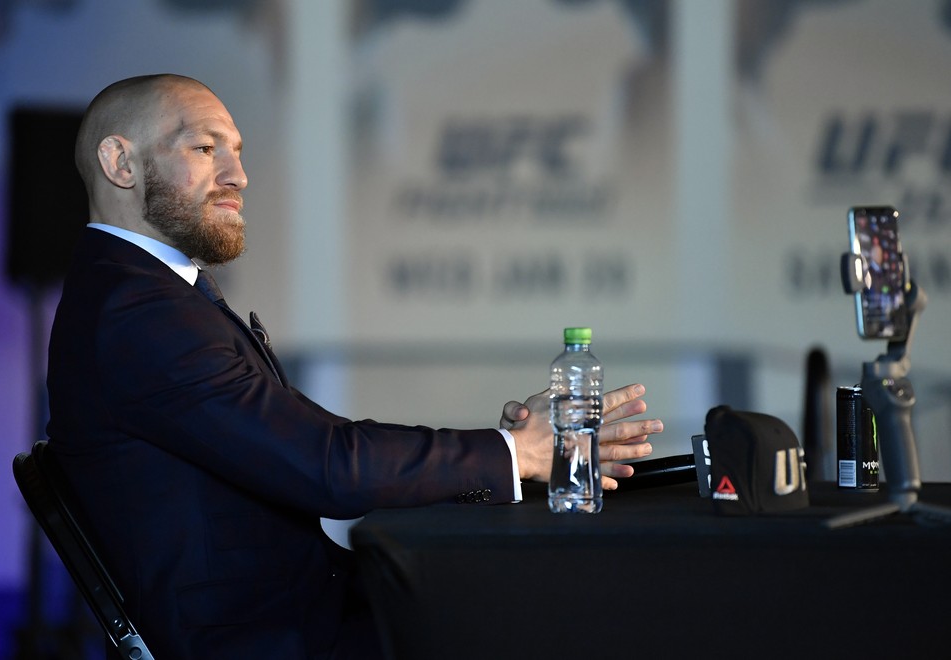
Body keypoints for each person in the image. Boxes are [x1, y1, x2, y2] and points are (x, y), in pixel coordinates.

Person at [46, 73, 663, 660]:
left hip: (304, 613)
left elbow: (323, 441)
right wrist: (512, 453)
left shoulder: (147, 295)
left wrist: (505, 452)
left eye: (236, 152)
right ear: (121, 163)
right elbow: (327, 467)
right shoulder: (138, 312)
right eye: (206, 149)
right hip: (279, 639)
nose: (239, 175)